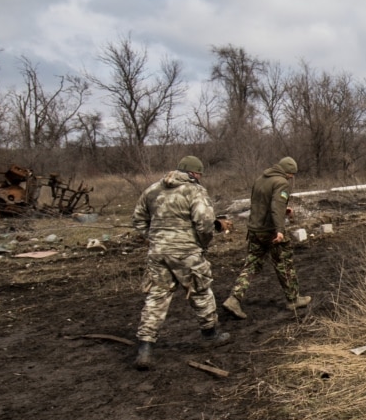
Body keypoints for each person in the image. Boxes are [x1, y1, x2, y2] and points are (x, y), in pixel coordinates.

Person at [131, 155, 229, 370]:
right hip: (187, 252)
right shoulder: (195, 191)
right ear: (194, 173)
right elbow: (204, 224)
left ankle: (145, 347)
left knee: (156, 297)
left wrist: (154, 238)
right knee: (201, 291)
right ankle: (210, 334)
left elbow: (138, 218)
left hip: (158, 253)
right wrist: (203, 244)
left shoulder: (152, 189)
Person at [223, 157, 310, 318]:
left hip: (255, 230)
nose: (291, 177)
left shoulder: (260, 179)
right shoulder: (282, 183)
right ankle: (293, 299)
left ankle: (233, 299)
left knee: (251, 265)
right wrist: (280, 230)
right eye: (291, 174)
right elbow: (276, 206)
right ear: (287, 172)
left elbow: (263, 204)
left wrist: (285, 209)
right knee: (284, 264)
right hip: (270, 231)